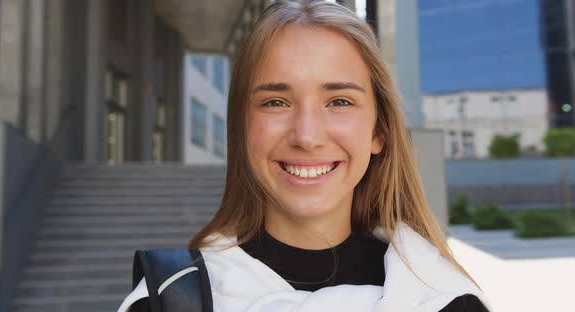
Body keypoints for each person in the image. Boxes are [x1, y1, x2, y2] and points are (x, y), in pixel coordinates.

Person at [123, 1, 492, 311]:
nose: (307, 136)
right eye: (275, 102)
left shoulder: (446, 300)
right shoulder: (167, 299)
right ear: (241, 130)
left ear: (378, 132)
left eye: (339, 101)